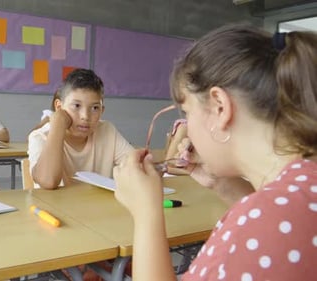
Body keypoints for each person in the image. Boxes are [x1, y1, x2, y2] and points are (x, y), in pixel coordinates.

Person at [113, 24, 317, 280]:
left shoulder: (270, 218)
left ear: (220, 107)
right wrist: (223, 184)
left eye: (187, 112)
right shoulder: (299, 190)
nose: (188, 126)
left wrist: (146, 212)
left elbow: (267, 221)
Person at [28, 68, 134, 189]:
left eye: (94, 108)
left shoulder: (107, 130)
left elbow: (136, 167)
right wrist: (58, 123)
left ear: (102, 111)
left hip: (97, 207)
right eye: (76, 106)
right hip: (54, 207)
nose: (85, 116)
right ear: (59, 107)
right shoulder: (40, 137)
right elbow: (48, 181)